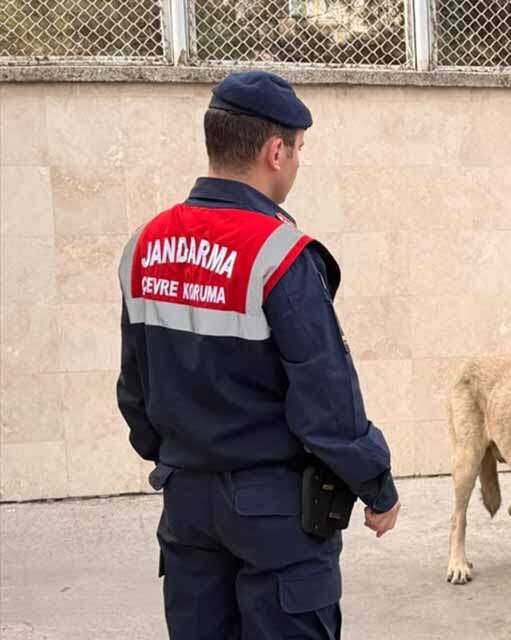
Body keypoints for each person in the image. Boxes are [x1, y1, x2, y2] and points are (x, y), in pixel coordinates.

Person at [116, 71, 401, 639]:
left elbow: (134, 388)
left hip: (186, 503)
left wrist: (179, 457)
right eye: (298, 149)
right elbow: (327, 400)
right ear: (275, 151)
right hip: (275, 510)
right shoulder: (278, 252)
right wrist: (377, 486)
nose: (297, 162)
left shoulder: (144, 244)